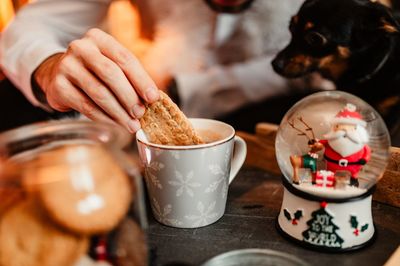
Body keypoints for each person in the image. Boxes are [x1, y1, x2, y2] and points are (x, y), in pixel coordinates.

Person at [0, 0, 322, 133]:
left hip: (284, 112)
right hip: (144, 117)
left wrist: (195, 89)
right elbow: (31, 27)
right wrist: (48, 67)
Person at [316, 103, 371, 187]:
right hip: (331, 168)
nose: (345, 130)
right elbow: (321, 143)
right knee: (331, 178)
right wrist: (316, 143)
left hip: (353, 168)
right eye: (339, 126)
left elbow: (367, 151)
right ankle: (331, 180)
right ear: (335, 126)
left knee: (352, 178)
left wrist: (364, 159)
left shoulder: (360, 143)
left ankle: (353, 179)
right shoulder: (331, 140)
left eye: (350, 127)